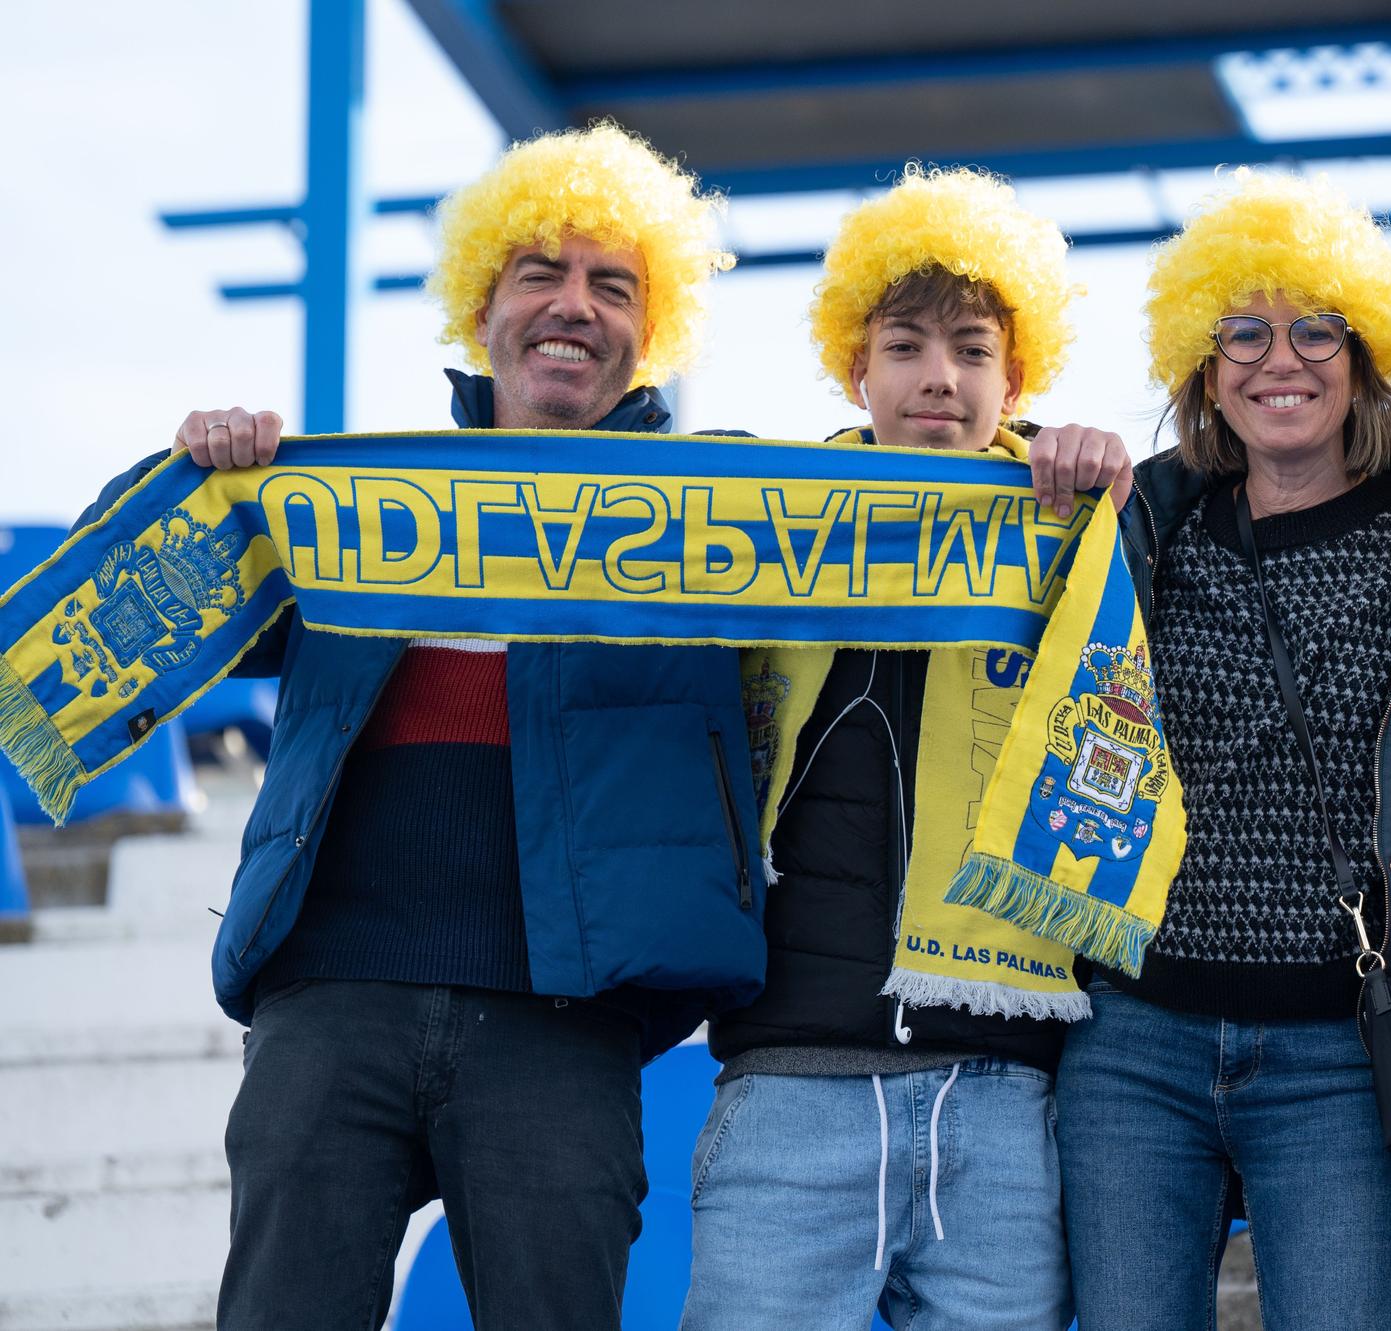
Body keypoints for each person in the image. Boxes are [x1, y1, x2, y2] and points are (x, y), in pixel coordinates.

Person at [80, 122, 762, 1331]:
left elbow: (928, 513)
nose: (573, 306)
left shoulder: (722, 519)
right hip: (329, 999)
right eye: (537, 274)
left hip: (565, 1019)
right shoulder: (341, 503)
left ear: (648, 332)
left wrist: (1039, 464)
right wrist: (191, 477)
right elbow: (125, 599)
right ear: (480, 303)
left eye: (613, 284)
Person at [681, 166, 1129, 1331]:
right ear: (854, 369)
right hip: (788, 1086)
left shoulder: (1075, 535)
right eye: (907, 346)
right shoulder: (760, 522)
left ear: (1015, 378)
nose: (940, 377)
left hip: (1002, 1098)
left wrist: (1100, 480)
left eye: (974, 350)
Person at [1056, 168, 1391, 1330]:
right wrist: (1058, 460)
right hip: (1133, 1035)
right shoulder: (1142, 516)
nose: (1276, 358)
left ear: (1363, 350)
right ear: (1202, 360)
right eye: (1241, 330)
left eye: (1313, 329)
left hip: (1340, 1047)